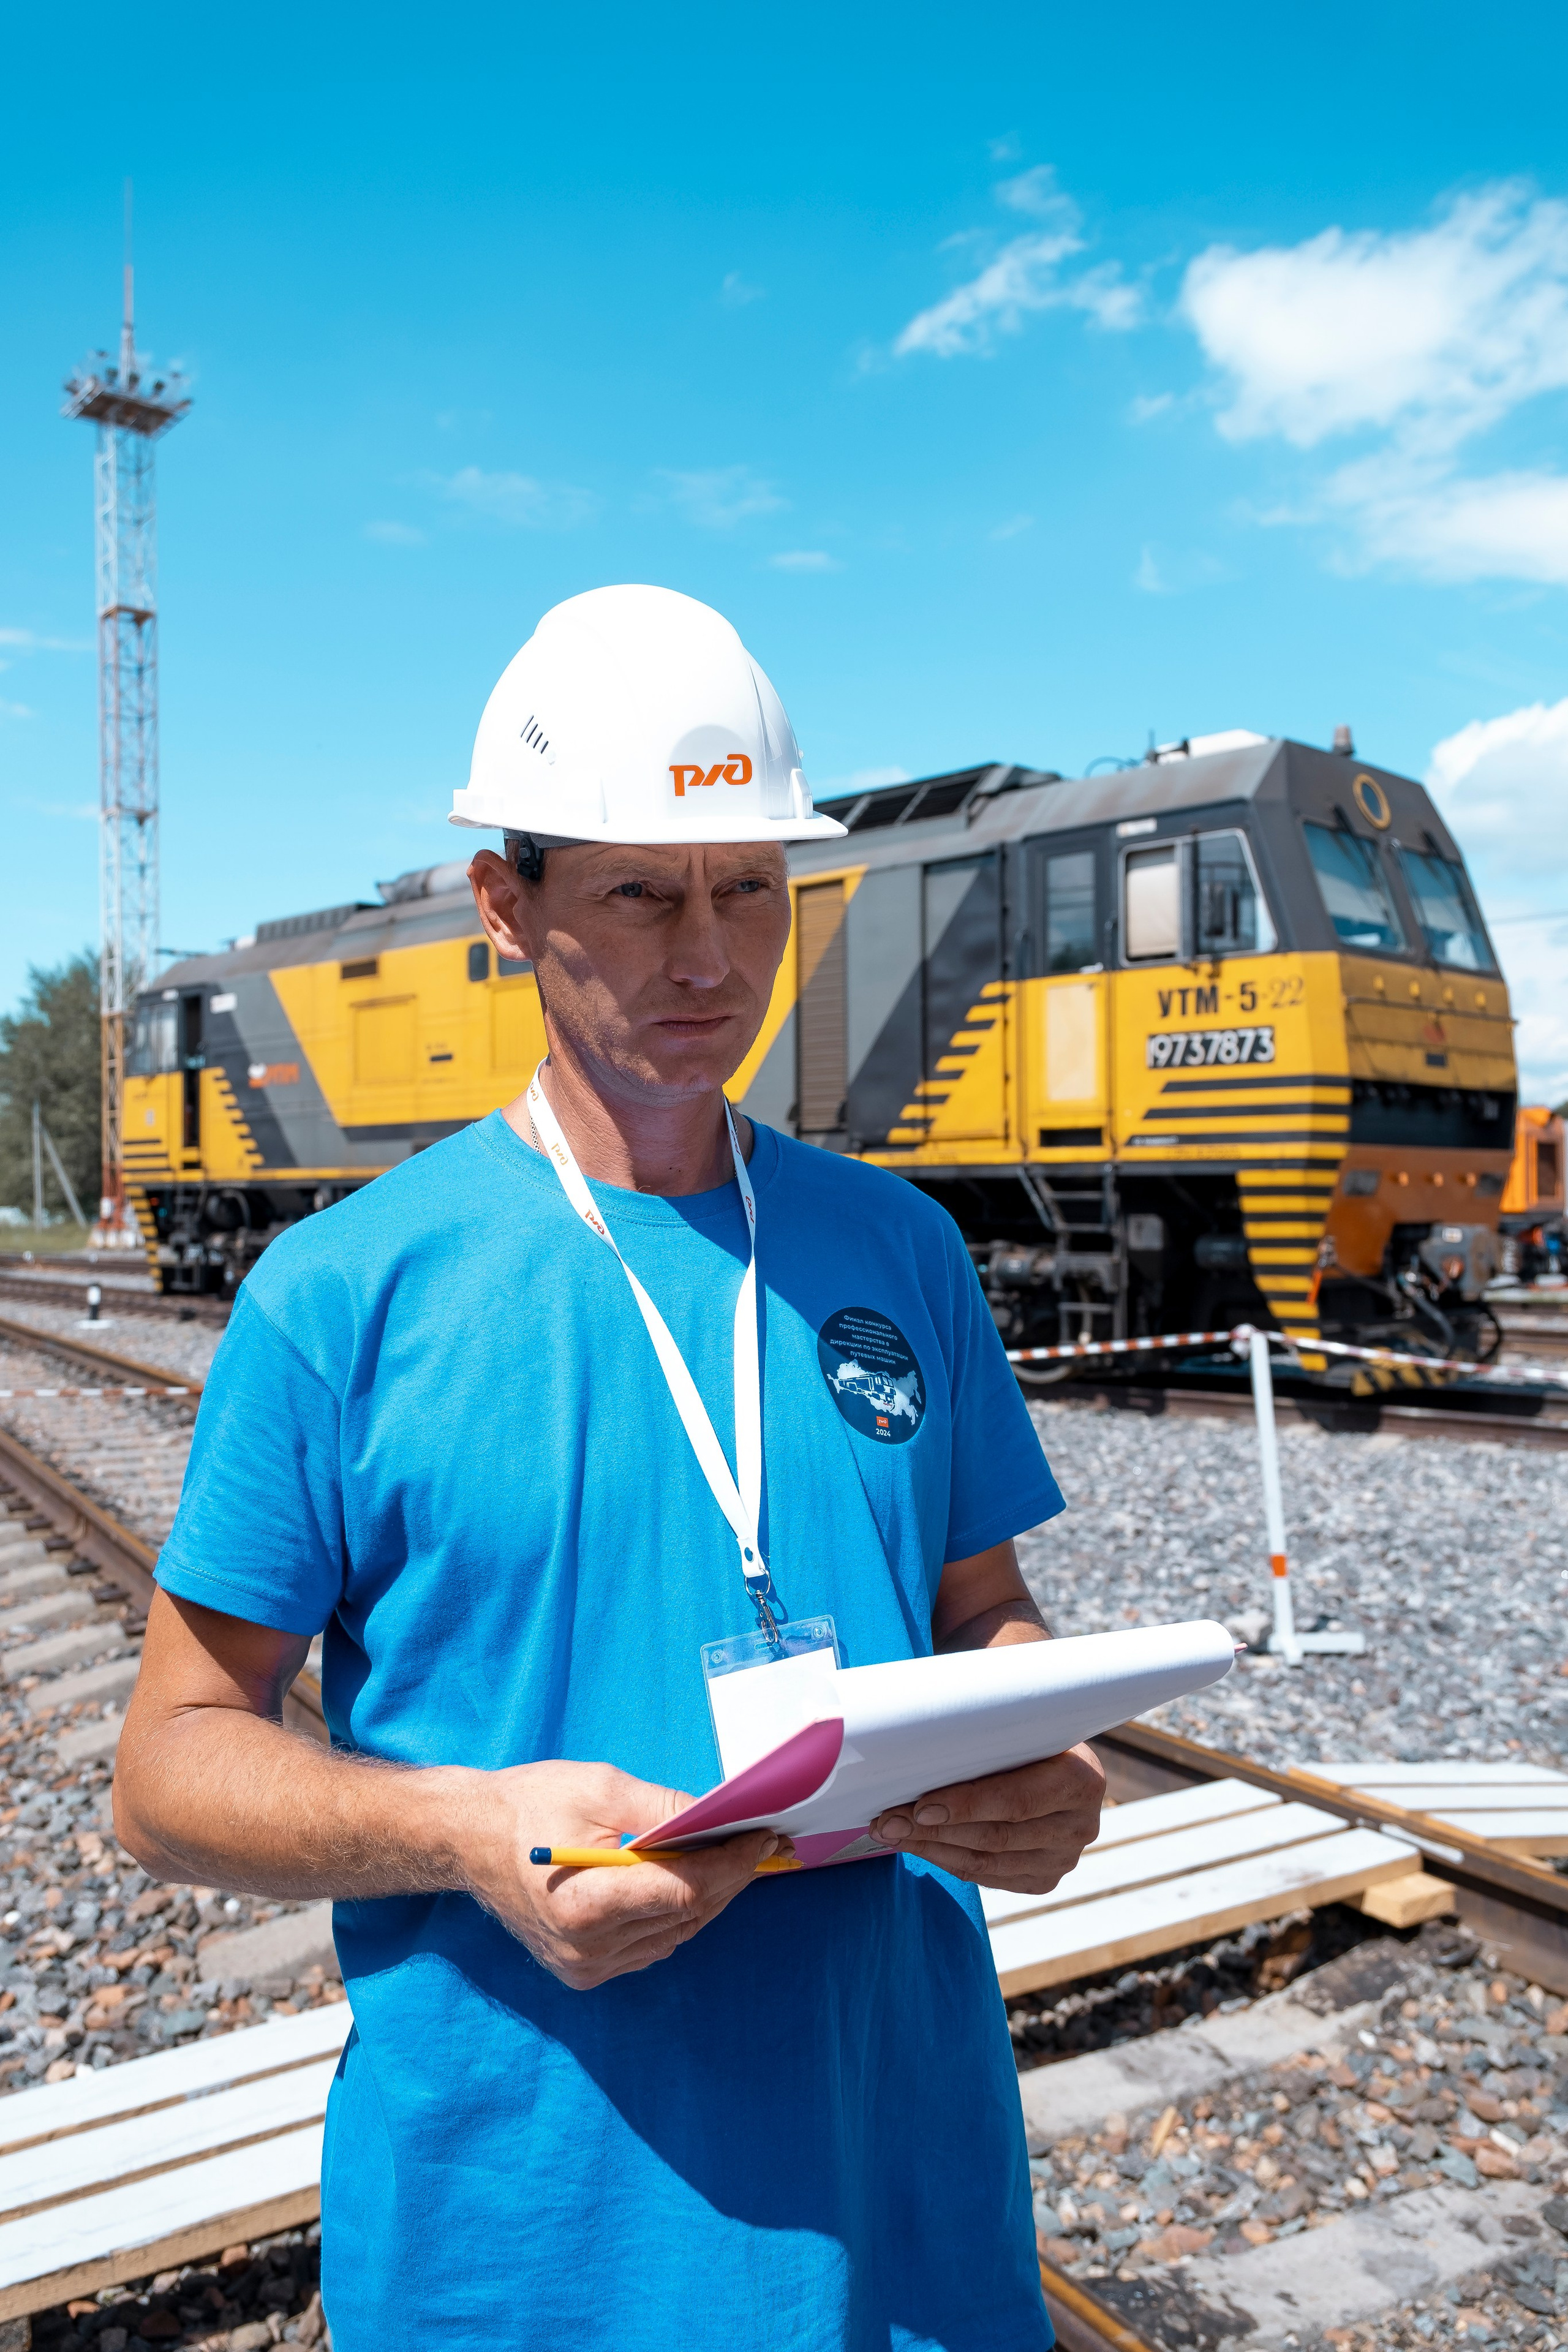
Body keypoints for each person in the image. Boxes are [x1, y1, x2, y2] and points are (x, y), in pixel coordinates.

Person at [116, 585, 1104, 2352]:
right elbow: (170, 1771)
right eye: (642, 891)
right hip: (523, 2256)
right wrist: (469, 1828)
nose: (709, 957)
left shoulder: (900, 1252)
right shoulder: (341, 1297)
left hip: (914, 2219)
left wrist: (1041, 1750)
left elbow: (987, 1612)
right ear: (509, 907)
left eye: (750, 888)